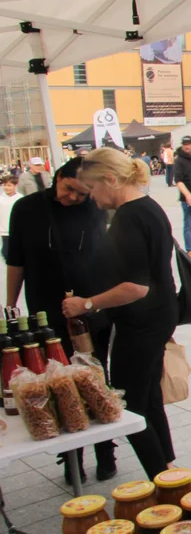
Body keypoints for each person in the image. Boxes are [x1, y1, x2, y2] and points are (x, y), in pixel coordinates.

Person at [63, 148, 179, 480]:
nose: (93, 199)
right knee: (149, 398)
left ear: (111, 180)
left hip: (141, 323)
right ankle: (169, 470)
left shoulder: (130, 216)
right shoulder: (150, 207)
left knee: (129, 407)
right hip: (158, 316)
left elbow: (136, 287)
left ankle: (163, 479)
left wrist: (87, 303)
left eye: (94, 189)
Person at [7, 156, 116, 484]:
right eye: (70, 190)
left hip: (90, 308)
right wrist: (10, 305)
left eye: (83, 194)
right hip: (47, 311)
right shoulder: (26, 209)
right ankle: (70, 457)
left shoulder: (95, 207)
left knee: (95, 378)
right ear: (58, 178)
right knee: (57, 382)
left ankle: (104, 449)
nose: (74, 198)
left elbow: (112, 258)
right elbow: (16, 261)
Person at [0, 175, 20, 262]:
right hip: (4, 230)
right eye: (4, 185)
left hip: (17, 229)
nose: (6, 188)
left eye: (9, 185)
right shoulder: (1, 198)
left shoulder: (20, 198)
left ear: (15, 185)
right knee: (6, 251)